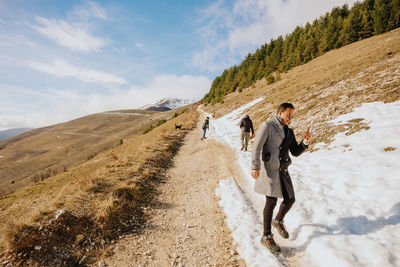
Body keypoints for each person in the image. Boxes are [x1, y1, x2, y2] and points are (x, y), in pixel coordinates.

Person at [250, 103, 312, 253]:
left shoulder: (289, 132)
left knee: (290, 199)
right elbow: (256, 147)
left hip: (283, 170)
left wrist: (305, 142)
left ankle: (277, 220)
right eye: (288, 115)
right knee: (271, 201)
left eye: (292, 116)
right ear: (280, 113)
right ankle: (266, 236)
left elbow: (295, 152)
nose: (290, 119)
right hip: (270, 169)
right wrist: (255, 166)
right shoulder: (268, 126)